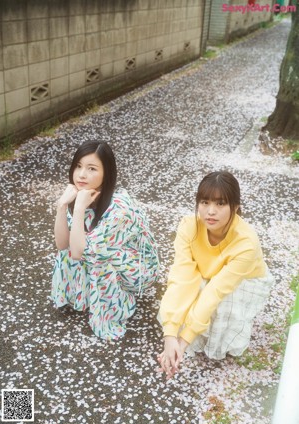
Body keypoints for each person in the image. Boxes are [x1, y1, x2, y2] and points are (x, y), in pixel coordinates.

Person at [158, 171, 274, 379]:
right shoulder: (188, 227)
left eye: (221, 204)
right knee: (192, 289)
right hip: (207, 271)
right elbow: (182, 278)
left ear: (235, 207)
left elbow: (217, 290)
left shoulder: (246, 242)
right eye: (204, 202)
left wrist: (184, 342)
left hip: (244, 281)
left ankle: (221, 338)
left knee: (215, 298)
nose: (210, 211)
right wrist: (170, 333)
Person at [51, 141, 159, 340]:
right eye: (78, 166)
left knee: (98, 258)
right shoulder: (82, 196)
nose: (82, 174)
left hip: (137, 270)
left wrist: (80, 209)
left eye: (92, 169)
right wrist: (62, 206)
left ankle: (112, 310)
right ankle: (81, 296)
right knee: (72, 249)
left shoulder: (119, 208)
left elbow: (80, 252)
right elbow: (63, 245)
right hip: (104, 253)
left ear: (106, 173)